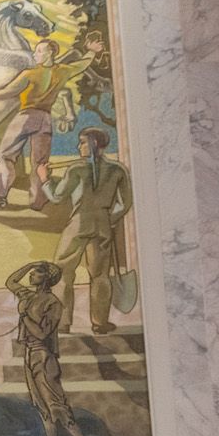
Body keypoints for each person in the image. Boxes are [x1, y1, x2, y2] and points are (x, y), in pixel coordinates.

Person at [0, 36, 103, 216]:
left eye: (39, 51)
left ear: (51, 53)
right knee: (40, 162)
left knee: (5, 156)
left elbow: (7, 92)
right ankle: (37, 200)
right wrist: (92, 51)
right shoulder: (64, 71)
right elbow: (82, 64)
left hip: (26, 117)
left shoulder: (30, 74)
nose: (35, 54)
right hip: (45, 119)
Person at [7, 260, 100, 436]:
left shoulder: (53, 303)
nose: (31, 276)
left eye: (36, 273)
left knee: (59, 409)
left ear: (46, 278)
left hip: (43, 356)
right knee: (43, 410)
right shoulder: (28, 296)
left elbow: (42, 333)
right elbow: (11, 281)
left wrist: (24, 316)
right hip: (29, 355)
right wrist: (30, 264)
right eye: (31, 273)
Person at [46, 126, 131, 334]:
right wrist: (110, 218)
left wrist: (44, 179)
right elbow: (125, 203)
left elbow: (57, 196)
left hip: (78, 225)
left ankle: (63, 323)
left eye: (82, 142)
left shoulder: (76, 169)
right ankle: (100, 323)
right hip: (102, 225)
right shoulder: (118, 170)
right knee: (100, 276)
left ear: (93, 143)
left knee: (63, 272)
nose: (78, 147)